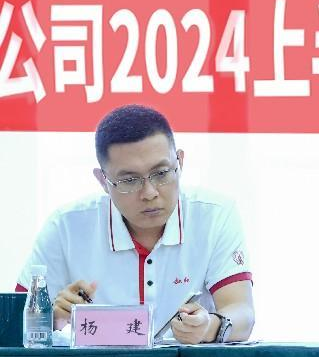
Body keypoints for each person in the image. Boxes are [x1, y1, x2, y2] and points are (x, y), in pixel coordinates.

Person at [17, 104, 254, 344]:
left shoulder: (214, 216)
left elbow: (242, 312)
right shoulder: (66, 227)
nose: (149, 193)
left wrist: (209, 327)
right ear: (103, 180)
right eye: (129, 180)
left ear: (180, 162)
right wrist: (51, 318)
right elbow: (14, 323)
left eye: (161, 173)